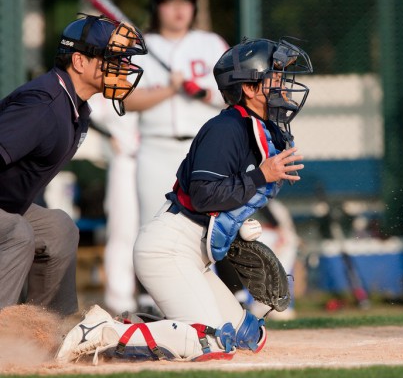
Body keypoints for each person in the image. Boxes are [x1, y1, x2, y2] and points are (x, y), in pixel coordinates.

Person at [55, 37, 313, 362]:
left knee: (249, 337)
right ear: (249, 88)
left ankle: (134, 327)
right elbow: (204, 195)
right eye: (274, 75)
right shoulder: (226, 129)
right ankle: (104, 333)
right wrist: (260, 176)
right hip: (166, 249)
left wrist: (237, 227)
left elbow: (226, 196)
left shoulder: (254, 128)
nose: (283, 84)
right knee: (211, 344)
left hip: (193, 256)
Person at [0, 14, 147, 316]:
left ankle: (48, 333)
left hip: (7, 203)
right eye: (111, 59)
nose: (121, 68)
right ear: (80, 62)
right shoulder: (43, 104)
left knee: (59, 228)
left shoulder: (77, 108)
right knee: (17, 232)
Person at [124, 0, 229, 313]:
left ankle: (214, 299)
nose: (179, 8)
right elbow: (127, 99)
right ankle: (150, 304)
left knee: (209, 226)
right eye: (170, 1)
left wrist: (201, 91)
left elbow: (231, 94)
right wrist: (169, 90)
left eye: (185, 1)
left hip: (203, 151)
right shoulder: (143, 46)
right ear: (157, 7)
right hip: (155, 148)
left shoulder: (210, 43)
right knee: (151, 224)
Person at [88, 94, 140, 314]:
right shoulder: (117, 76)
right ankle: (120, 302)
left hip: (165, 159)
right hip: (128, 161)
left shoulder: (163, 74)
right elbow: (85, 108)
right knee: (123, 232)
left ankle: (155, 298)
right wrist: (109, 134)